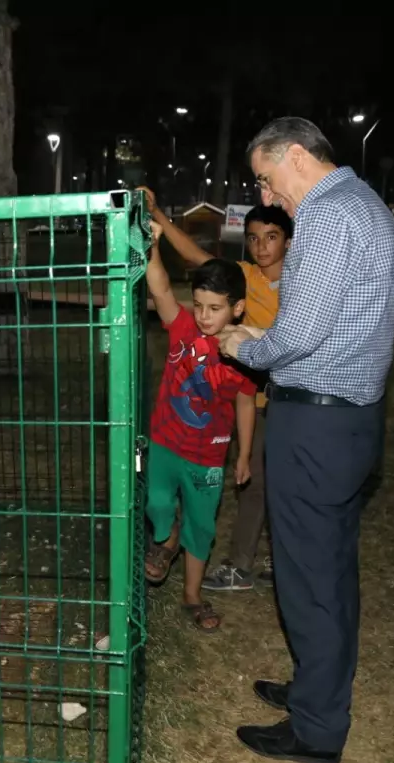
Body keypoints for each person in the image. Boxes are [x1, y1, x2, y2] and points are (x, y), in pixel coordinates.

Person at [217, 117, 394, 763]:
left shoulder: (328, 217)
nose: (268, 199)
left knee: (308, 578)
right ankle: (318, 687)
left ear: (297, 156)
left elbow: (298, 334)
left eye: (267, 180)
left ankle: (317, 727)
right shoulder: (374, 209)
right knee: (332, 569)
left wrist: (250, 346)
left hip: (316, 423)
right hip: (355, 418)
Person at [140, 188, 292, 590]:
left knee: (274, 480)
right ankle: (228, 559)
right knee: (252, 480)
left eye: (272, 236)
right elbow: (189, 266)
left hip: (280, 397)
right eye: (254, 237)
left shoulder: (303, 286)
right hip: (236, 402)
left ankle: (276, 559)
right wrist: (155, 223)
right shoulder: (237, 279)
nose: (261, 246)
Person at [143, 220, 256, 632]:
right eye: (200, 305)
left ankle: (192, 594)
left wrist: (242, 454)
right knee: (157, 504)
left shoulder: (244, 349)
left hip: (209, 455)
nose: (204, 317)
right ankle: (166, 536)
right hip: (166, 443)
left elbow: (245, 401)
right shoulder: (184, 326)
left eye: (215, 308)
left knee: (202, 526)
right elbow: (159, 289)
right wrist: (153, 247)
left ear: (237, 308)